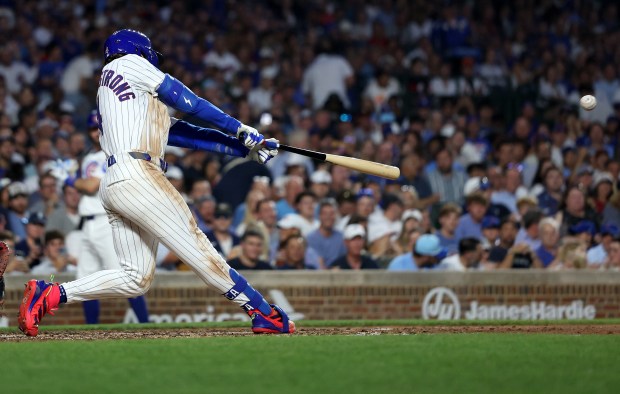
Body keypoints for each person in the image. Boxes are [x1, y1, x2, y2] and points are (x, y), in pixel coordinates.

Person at [18, 30, 294, 336]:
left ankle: (52, 294)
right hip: (138, 175)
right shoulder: (127, 63)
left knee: (136, 277)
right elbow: (186, 99)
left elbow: (184, 133)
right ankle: (260, 310)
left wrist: (245, 147)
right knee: (198, 246)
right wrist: (239, 127)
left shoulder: (126, 100)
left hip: (117, 182)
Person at [48, 109, 151, 325]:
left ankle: (146, 326)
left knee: (126, 279)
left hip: (107, 222)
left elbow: (91, 185)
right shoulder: (88, 156)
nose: (96, 133)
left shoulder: (112, 152)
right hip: (88, 225)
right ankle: (90, 331)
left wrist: (67, 180)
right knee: (85, 280)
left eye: (99, 127)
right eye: (92, 129)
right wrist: (72, 174)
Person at [306, 199, 346, 268]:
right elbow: (317, 263)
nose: (328, 217)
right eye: (325, 214)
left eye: (331, 214)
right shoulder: (311, 238)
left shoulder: (341, 237)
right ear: (319, 216)